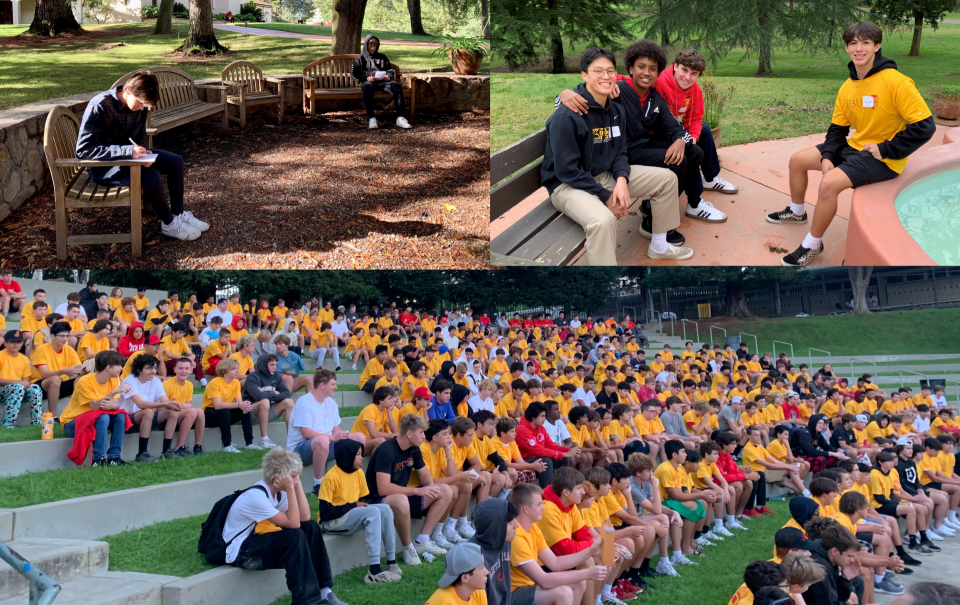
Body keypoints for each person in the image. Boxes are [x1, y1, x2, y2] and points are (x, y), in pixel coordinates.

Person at [768, 21, 935, 266]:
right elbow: (837, 129)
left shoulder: (896, 81)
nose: (859, 48)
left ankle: (813, 245)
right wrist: (827, 157)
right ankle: (796, 211)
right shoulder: (847, 88)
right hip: (855, 147)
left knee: (829, 184)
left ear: (876, 46)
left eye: (866, 43)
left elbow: (925, 126)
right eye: (853, 43)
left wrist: (885, 148)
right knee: (797, 160)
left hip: (884, 158)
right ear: (847, 48)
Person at [556, 40, 726, 236]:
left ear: (659, 72)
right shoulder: (617, 89)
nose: (646, 72)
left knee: (693, 151)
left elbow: (674, 126)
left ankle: (653, 207)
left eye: (652, 69)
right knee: (679, 162)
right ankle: (654, 222)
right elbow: (587, 89)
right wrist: (563, 94)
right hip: (621, 153)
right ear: (631, 68)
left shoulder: (654, 98)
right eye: (641, 67)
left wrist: (680, 140)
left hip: (642, 144)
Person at [540, 47, 691, 265]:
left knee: (667, 180)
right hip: (567, 186)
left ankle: (659, 246)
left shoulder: (615, 110)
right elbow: (566, 171)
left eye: (610, 71)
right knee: (603, 220)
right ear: (584, 75)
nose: (605, 76)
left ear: (616, 74)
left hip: (604, 174)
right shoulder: (568, 115)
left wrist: (621, 180)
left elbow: (620, 151)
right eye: (597, 71)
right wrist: (606, 196)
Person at [75, 70, 209, 241]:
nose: (141, 108)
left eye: (145, 106)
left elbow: (138, 136)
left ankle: (178, 214)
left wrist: (143, 152)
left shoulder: (140, 105)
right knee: (152, 177)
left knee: (176, 162)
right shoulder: (100, 106)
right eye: (140, 103)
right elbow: (84, 150)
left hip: (130, 158)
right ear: (128, 91)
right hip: (103, 168)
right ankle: (168, 224)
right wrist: (127, 151)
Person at [221, 448, 343, 605]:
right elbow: (293, 524)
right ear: (278, 478)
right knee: (295, 536)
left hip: (256, 540)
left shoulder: (278, 492)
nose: (296, 480)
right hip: (240, 551)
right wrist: (291, 488)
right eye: (293, 477)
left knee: (310, 528)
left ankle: (324, 591)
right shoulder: (256, 497)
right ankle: (306, 601)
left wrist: (295, 485)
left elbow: (305, 518)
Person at [363, 413, 454, 564]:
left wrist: (430, 486)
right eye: (421, 433)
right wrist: (417, 491)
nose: (424, 437)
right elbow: (383, 488)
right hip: (377, 499)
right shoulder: (387, 450)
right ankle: (408, 548)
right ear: (409, 433)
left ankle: (422, 540)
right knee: (401, 499)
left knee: (444, 490)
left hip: (401, 496)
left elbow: (424, 475)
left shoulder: (413, 448)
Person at [317, 437, 401, 584]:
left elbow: (365, 500)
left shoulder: (359, 473)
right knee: (373, 512)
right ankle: (374, 570)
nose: (361, 458)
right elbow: (325, 513)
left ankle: (391, 562)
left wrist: (356, 506)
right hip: (331, 522)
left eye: (361, 454)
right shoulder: (330, 478)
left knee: (385, 509)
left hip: (349, 517)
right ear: (346, 455)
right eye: (357, 454)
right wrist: (353, 506)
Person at [655, 49, 739, 196]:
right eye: (684, 70)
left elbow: (695, 118)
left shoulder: (695, 90)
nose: (687, 77)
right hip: (655, 131)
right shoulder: (659, 82)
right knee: (691, 152)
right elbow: (632, 80)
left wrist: (692, 137)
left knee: (704, 130)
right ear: (675, 66)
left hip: (673, 128)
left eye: (694, 74)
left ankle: (711, 177)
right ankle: (695, 200)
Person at [507, 482, 607, 605]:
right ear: (526, 509)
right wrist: (587, 573)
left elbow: (555, 562)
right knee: (564, 592)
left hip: (531, 585)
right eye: (539, 504)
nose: (543, 507)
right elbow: (544, 580)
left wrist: (591, 551)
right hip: (513, 593)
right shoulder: (517, 535)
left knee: (579, 581)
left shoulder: (533, 528)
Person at [286, 369, 366, 494]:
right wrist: (333, 438)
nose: (336, 387)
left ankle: (348, 479)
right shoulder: (304, 402)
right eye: (333, 384)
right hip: (299, 449)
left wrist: (340, 434)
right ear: (322, 385)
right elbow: (306, 433)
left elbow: (335, 429)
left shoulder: (331, 403)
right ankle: (317, 485)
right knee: (323, 441)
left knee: (359, 438)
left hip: (324, 444)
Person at [120, 353, 197, 462]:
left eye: (155, 368)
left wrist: (171, 404)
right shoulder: (131, 380)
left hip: (147, 418)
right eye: (149, 368)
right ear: (139, 369)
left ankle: (166, 451)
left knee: (171, 412)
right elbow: (140, 404)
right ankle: (142, 453)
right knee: (147, 411)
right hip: (127, 419)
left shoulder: (155, 381)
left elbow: (164, 399)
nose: (153, 371)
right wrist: (164, 404)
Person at [60, 350, 131, 466]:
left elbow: (116, 405)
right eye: (119, 365)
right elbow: (95, 406)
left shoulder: (113, 380)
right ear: (108, 367)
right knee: (103, 417)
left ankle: (114, 457)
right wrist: (113, 393)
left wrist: (114, 403)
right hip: (73, 422)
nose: (121, 369)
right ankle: (98, 459)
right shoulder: (85, 382)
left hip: (95, 419)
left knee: (121, 416)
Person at [351, 35, 412, 130]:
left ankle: (400, 118)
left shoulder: (382, 57)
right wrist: (366, 78)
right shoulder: (359, 58)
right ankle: (372, 118)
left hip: (383, 82)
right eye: (370, 46)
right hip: (369, 83)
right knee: (367, 87)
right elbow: (354, 74)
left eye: (374, 46)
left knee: (397, 86)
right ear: (366, 46)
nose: (372, 48)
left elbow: (390, 70)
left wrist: (388, 76)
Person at [202, 358, 262, 453]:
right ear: (225, 370)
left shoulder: (236, 382)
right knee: (224, 411)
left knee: (244, 410)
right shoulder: (215, 382)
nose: (237, 371)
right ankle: (227, 445)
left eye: (237, 368)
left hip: (224, 413)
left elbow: (239, 402)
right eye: (233, 369)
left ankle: (249, 443)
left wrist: (244, 405)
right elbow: (217, 405)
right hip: (209, 413)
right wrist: (239, 404)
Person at [32, 321, 84, 421]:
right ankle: (53, 416)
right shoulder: (42, 350)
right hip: (41, 385)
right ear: (52, 336)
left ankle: (77, 414)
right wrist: (64, 371)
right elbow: (44, 374)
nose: (65, 339)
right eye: (61, 336)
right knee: (55, 379)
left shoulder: (69, 350)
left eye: (67, 336)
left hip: (61, 383)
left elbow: (78, 369)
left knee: (81, 380)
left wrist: (84, 371)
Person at [469, 498, 516, 605]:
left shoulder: (503, 540)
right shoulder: (472, 557)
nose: (516, 525)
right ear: (496, 526)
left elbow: (506, 585)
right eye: (510, 523)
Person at [163, 356, 206, 457]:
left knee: (199, 411)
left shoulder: (189, 385)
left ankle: (198, 445)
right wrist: (180, 406)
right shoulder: (166, 384)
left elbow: (189, 404)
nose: (183, 371)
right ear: (175, 369)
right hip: (167, 414)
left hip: (180, 413)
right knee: (192, 411)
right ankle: (179, 447)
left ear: (191, 370)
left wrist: (178, 405)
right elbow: (163, 406)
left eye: (187, 369)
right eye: (180, 368)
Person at [1, 330, 44, 428]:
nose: (16, 344)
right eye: (12, 342)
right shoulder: (1, 356)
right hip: (2, 391)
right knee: (18, 387)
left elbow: (26, 380)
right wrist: (19, 383)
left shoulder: (24, 359)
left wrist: (25, 384)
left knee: (35, 388)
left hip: (17, 392)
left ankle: (37, 422)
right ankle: (7, 423)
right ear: (5, 343)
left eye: (19, 342)